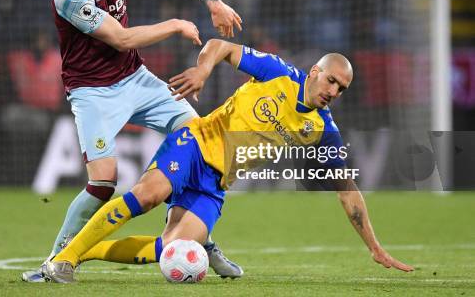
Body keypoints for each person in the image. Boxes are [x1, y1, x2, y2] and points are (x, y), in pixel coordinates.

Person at [41, 39, 415, 282]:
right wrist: (203, 70)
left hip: (217, 183)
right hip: (196, 144)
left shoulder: (322, 129)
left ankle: (79, 250)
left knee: (171, 249)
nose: (333, 92)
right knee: (149, 194)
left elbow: (348, 192)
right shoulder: (278, 73)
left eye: (341, 89)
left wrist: (374, 247)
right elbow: (219, 45)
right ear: (315, 72)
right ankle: (63, 261)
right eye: (331, 81)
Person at [22, 0, 244, 281]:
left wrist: (213, 1)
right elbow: (121, 38)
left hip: (135, 80)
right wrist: (174, 24)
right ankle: (56, 260)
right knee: (104, 180)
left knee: (202, 144)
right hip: (92, 91)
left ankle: (198, 242)